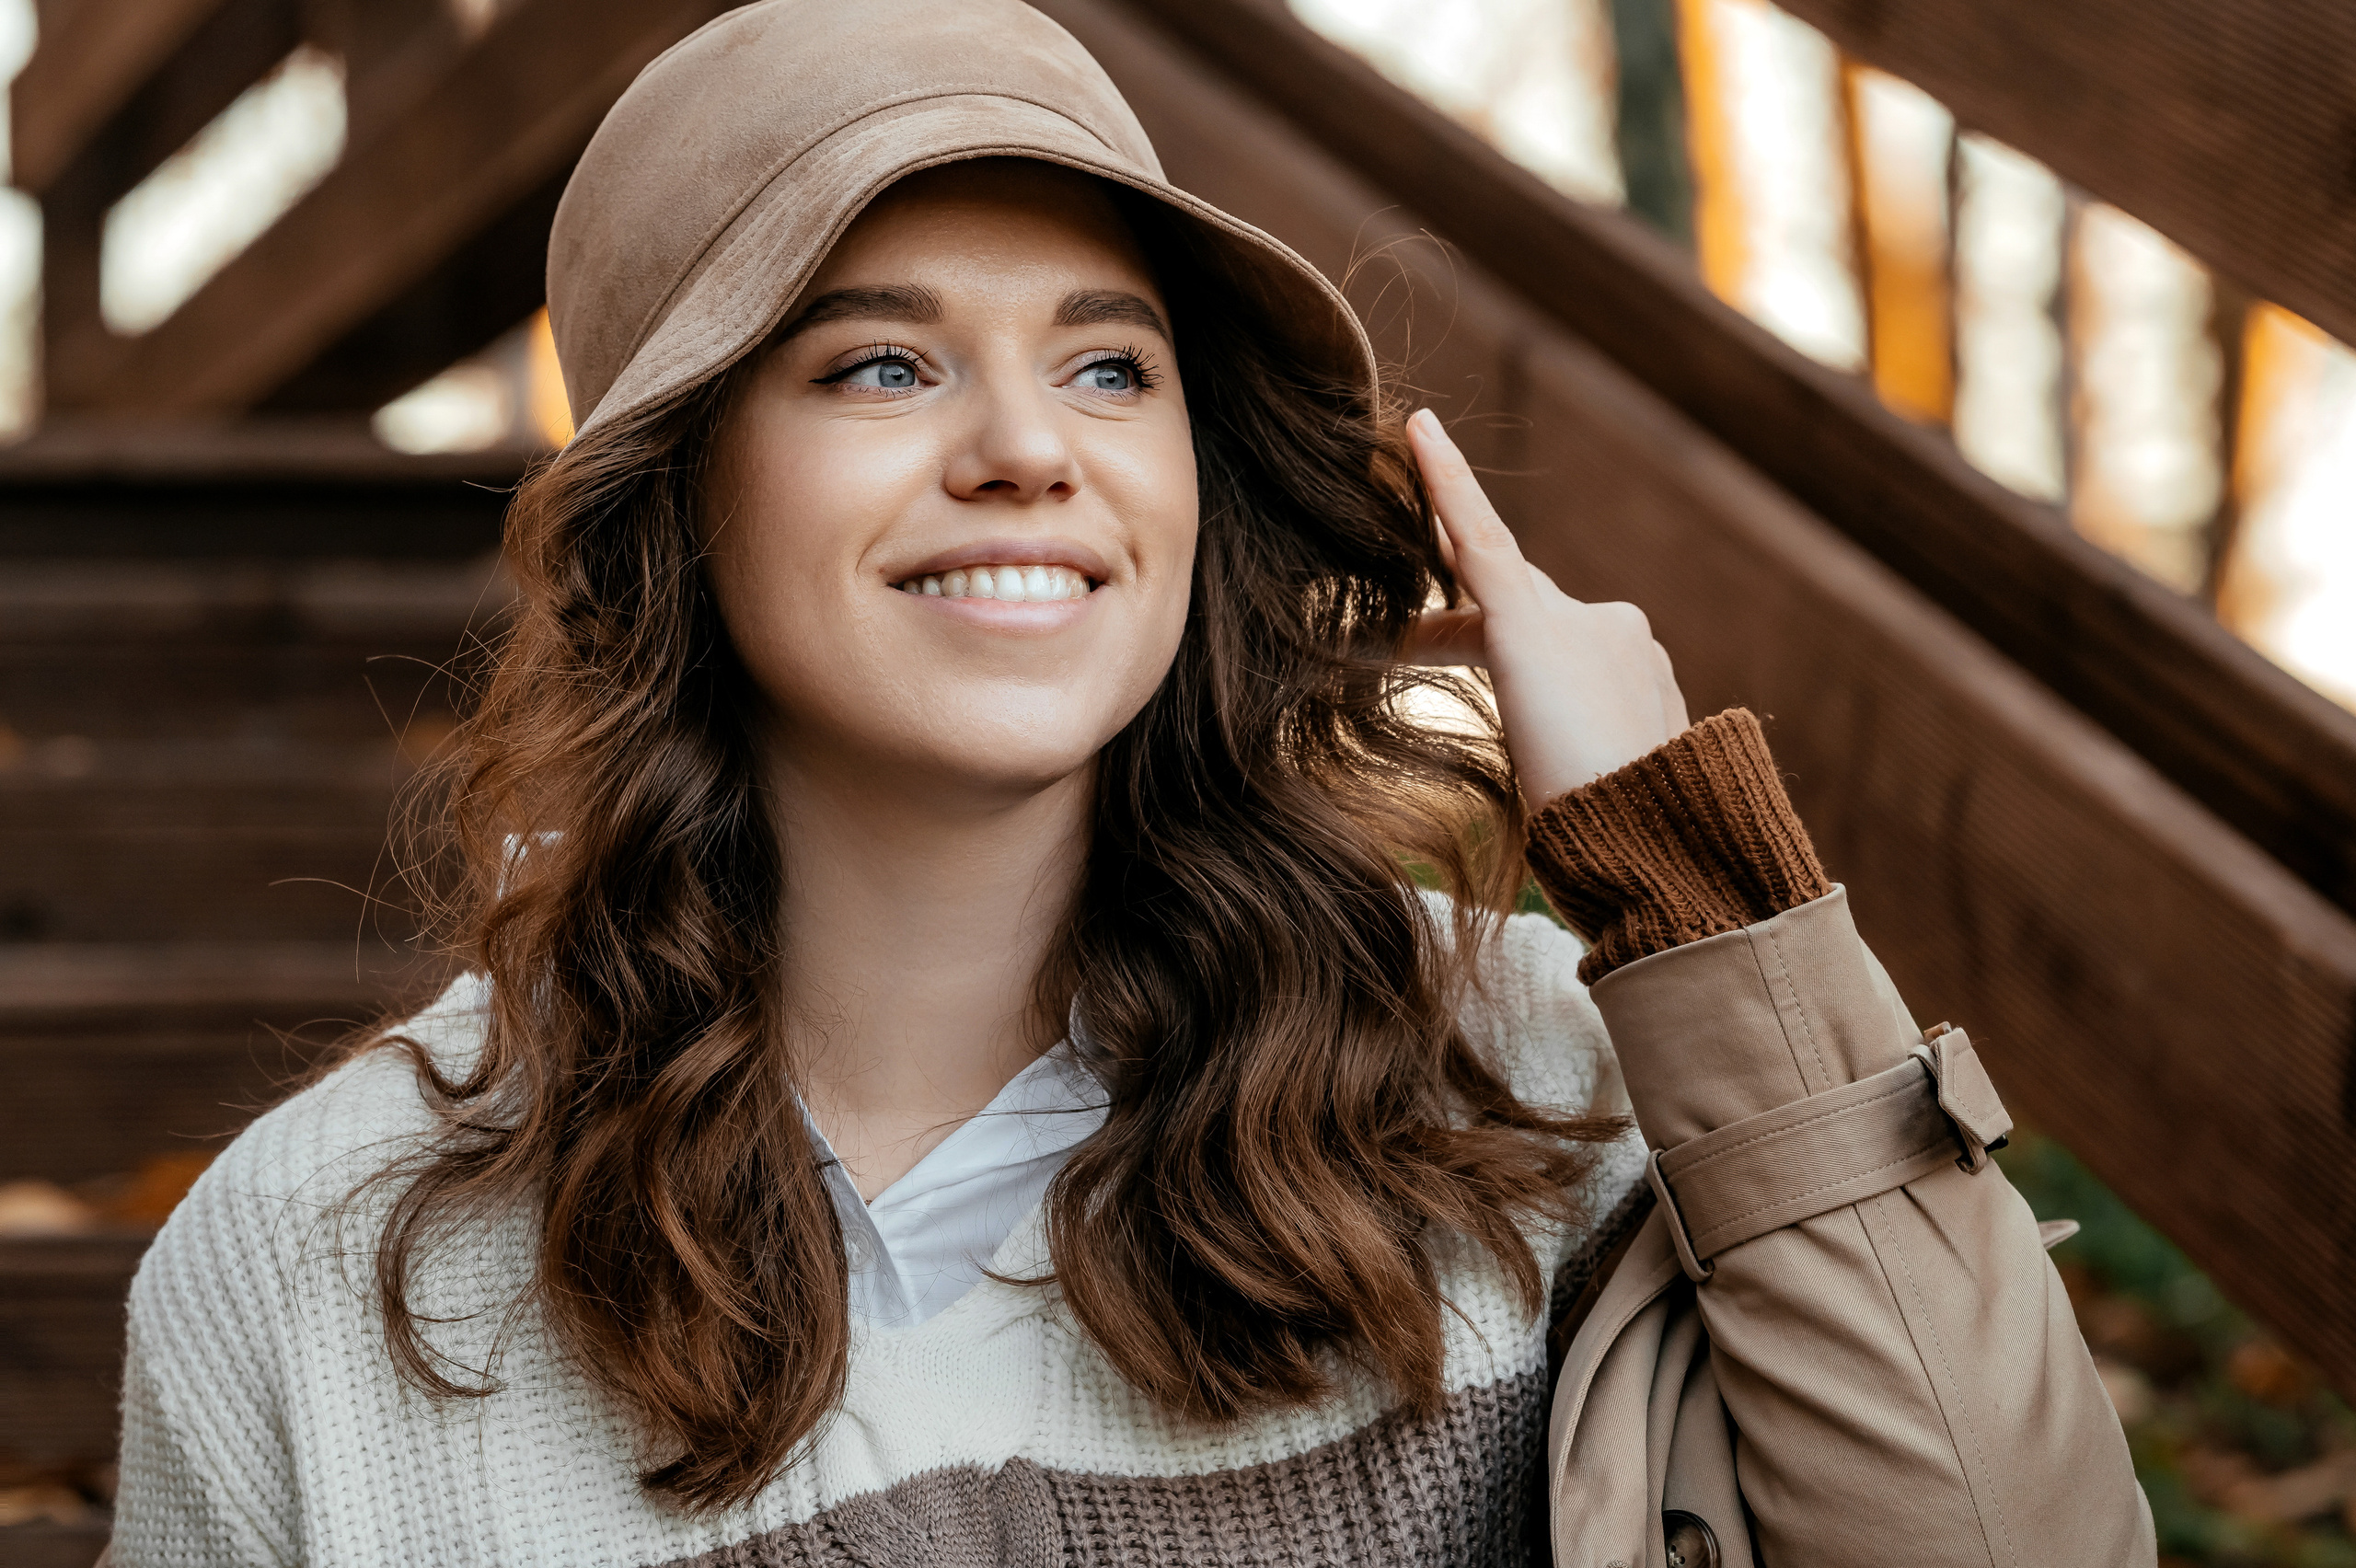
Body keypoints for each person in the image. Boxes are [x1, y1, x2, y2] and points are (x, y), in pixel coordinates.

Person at [108, 1, 2153, 1563]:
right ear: (679, 503)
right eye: (877, 364)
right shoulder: (319, 1256)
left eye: (1108, 364)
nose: (1028, 449)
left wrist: (1692, 897)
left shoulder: (1541, 1080)